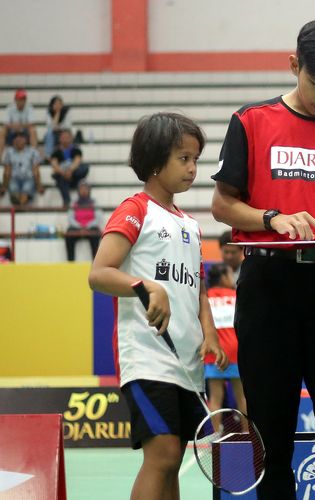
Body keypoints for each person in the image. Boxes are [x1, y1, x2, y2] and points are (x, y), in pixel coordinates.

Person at [210, 18, 315, 499]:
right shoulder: (251, 121)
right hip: (268, 286)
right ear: (294, 65)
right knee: (270, 435)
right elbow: (223, 204)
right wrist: (272, 217)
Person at [88, 112, 228, 499]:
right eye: (183, 158)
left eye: (196, 159)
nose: (192, 168)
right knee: (163, 455)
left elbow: (198, 289)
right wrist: (145, 285)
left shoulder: (191, 225)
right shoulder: (135, 210)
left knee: (171, 462)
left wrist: (210, 334)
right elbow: (99, 273)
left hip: (188, 363)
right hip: (148, 356)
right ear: (154, 160)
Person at [204, 262, 247, 432]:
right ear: (222, 277)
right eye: (230, 275)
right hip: (236, 351)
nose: (232, 279)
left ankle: (215, 437)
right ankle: (247, 434)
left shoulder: (206, 297)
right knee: (242, 397)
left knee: (215, 398)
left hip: (215, 352)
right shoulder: (235, 295)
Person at [0, 130, 44, 206]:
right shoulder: (9, 152)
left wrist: (39, 185)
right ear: (13, 141)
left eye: (21, 139)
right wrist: (4, 186)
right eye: (16, 139)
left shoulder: (33, 152)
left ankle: (19, 206)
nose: (18, 141)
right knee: (13, 188)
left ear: (25, 140)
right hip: (14, 178)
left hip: (28, 178)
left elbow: (36, 171)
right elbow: (7, 171)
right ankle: (19, 205)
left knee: (27, 188)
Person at [64, 182, 102, 261]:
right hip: (77, 227)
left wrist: (87, 226)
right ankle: (70, 262)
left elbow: (98, 218)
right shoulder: (74, 203)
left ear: (89, 190)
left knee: (96, 234)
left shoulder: (94, 202)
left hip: (91, 227)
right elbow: (70, 218)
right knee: (69, 234)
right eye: (81, 189)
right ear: (78, 191)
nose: (84, 191)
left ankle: (96, 262)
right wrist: (80, 226)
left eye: (86, 189)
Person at [51, 128, 89, 207]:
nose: (65, 139)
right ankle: (66, 201)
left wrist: (70, 171)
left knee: (85, 168)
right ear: (60, 139)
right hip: (63, 176)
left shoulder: (76, 149)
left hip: (74, 175)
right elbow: (54, 165)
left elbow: (77, 161)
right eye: (63, 137)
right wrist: (63, 173)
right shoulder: (56, 152)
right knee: (59, 177)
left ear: (71, 138)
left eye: (67, 137)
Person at [1, 89, 39, 158]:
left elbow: (32, 123)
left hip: (25, 131)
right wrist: (15, 127)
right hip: (12, 131)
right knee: (2, 131)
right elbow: (5, 124)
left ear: (25, 100)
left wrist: (19, 126)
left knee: (33, 130)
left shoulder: (30, 107)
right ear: (15, 100)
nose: (21, 101)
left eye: (23, 99)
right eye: (19, 99)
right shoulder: (9, 107)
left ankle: (34, 157)